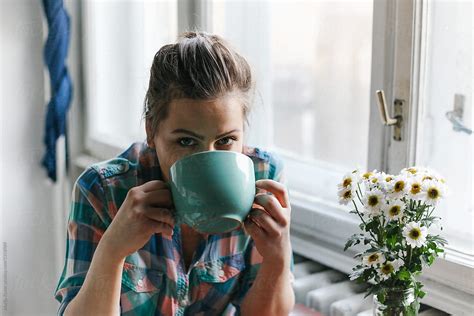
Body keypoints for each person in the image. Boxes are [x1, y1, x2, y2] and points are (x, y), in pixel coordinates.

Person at [54, 31, 295, 316]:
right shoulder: (102, 190)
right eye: (185, 141)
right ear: (152, 131)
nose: (207, 158)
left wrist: (278, 257)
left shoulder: (262, 178)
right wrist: (113, 250)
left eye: (226, 140)